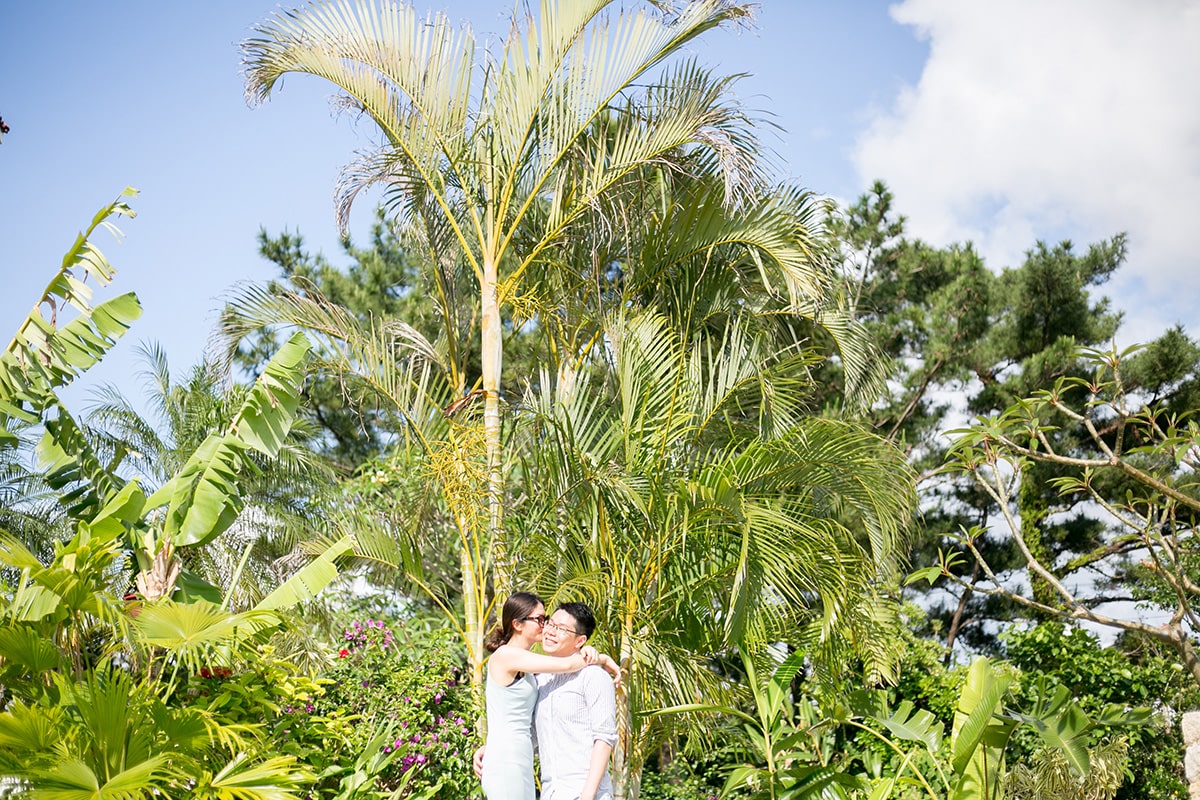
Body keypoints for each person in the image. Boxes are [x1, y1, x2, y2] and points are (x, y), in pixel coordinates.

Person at [480, 592, 619, 800]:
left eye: (559, 628)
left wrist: (587, 796)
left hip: (576, 789)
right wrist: (601, 657)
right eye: (545, 622)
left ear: (579, 639)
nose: (548, 629)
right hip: (519, 769)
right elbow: (568, 664)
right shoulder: (514, 661)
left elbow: (605, 737)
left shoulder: (585, 677)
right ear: (518, 624)